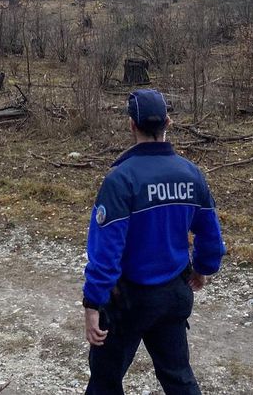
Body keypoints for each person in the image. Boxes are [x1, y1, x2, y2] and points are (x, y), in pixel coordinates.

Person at [82, 88, 226, 394]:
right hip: (174, 294)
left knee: (105, 382)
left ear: (131, 125)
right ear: (168, 123)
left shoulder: (120, 179)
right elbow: (211, 235)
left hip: (128, 301)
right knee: (178, 379)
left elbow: (105, 253)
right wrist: (201, 269)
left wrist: (92, 303)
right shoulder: (191, 174)